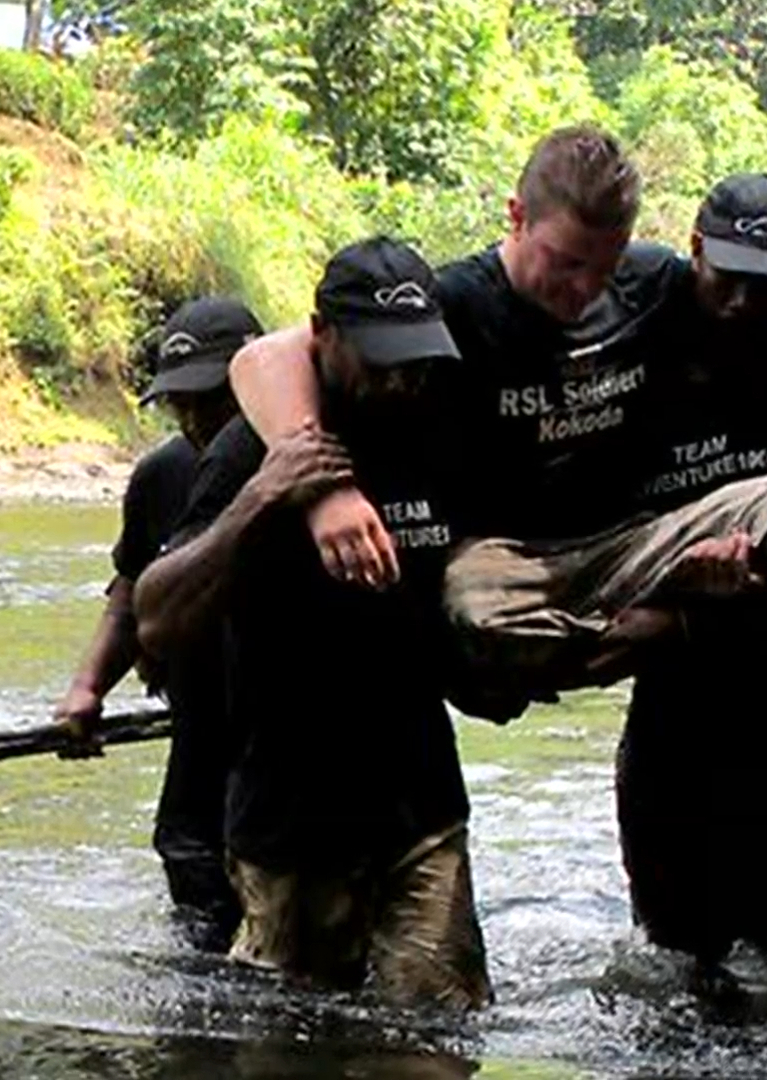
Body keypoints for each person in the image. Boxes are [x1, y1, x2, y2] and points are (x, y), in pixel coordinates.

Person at [223, 127, 767, 902]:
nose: (581, 291)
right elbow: (263, 357)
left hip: (629, 541)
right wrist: (325, 488)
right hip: (510, 557)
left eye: (601, 270)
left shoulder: (651, 280)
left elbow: (747, 286)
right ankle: (660, 627)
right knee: (470, 611)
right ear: (516, 218)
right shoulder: (454, 300)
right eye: (563, 264)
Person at [135, 238, 488, 1010]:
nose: (401, 378)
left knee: (441, 1038)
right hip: (292, 826)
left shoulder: (437, 426)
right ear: (320, 334)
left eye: (415, 357)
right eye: (380, 358)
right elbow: (155, 618)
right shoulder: (251, 449)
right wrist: (266, 497)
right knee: (293, 1047)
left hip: (421, 807)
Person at [611, 174, 767, 973]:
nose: (744, 303)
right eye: (730, 279)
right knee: (680, 971)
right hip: (673, 697)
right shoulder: (636, 307)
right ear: (693, 251)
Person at [53, 296, 254, 951]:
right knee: (198, 946)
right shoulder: (162, 475)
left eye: (213, 400)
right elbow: (129, 591)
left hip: (290, 752)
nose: (196, 421)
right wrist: (89, 687)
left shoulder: (303, 465)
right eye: (181, 404)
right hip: (200, 743)